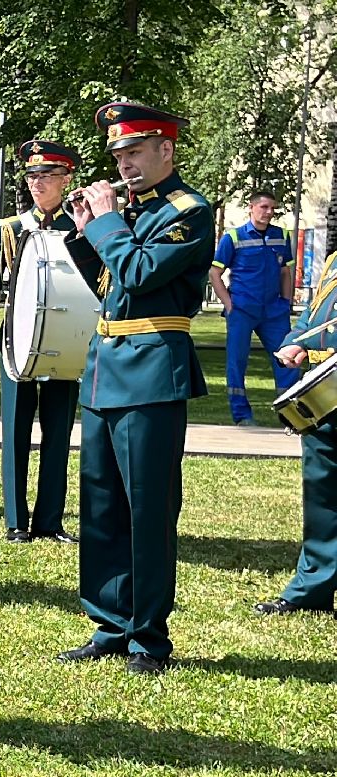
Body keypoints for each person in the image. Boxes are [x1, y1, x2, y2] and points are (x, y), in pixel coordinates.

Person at [56, 102, 214, 675]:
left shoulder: (189, 210)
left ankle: (148, 635)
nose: (124, 163)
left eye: (135, 151)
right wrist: (84, 233)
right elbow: (110, 282)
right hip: (106, 365)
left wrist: (103, 224)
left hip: (151, 369)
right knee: (101, 505)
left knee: (147, 507)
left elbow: (143, 273)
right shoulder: (125, 214)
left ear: (165, 150)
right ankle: (109, 622)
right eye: (118, 154)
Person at [0, 140, 82, 543]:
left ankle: (50, 520)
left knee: (58, 431)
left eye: (46, 176)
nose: (36, 183)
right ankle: (16, 521)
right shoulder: (11, 227)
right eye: (31, 176)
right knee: (16, 429)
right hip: (19, 337)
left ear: (66, 179)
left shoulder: (80, 225)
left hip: (66, 339)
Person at [256, 248, 337, 615]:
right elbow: (314, 313)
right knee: (322, 496)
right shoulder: (335, 260)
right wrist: (297, 339)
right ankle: (312, 589)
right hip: (325, 389)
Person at [210, 189, 299, 426]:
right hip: (242, 309)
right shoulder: (233, 237)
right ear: (251, 207)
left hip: (274, 311)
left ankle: (289, 414)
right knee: (237, 362)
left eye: (272, 208)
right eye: (264, 207)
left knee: (286, 359)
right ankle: (242, 416)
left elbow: (285, 271)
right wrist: (229, 305)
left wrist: (286, 302)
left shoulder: (281, 235)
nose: (269, 212)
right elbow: (215, 272)